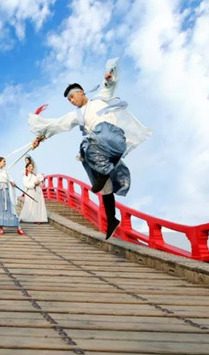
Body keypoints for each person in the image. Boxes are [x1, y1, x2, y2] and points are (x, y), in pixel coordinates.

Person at [29, 58, 151, 239]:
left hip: (113, 137)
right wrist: (41, 136)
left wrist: (109, 76)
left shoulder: (100, 98)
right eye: (69, 100)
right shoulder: (76, 115)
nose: (72, 101)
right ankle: (112, 219)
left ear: (81, 92)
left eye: (72, 97)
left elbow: (109, 84)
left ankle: (102, 173)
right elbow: (57, 124)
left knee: (85, 146)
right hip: (103, 151)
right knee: (104, 186)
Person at [0, 157, 24, 235]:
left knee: (11, 209)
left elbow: (10, 179)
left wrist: (12, 182)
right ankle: (1, 228)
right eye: (4, 161)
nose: (5, 163)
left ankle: (19, 227)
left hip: (7, 192)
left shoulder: (6, 171)